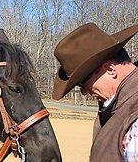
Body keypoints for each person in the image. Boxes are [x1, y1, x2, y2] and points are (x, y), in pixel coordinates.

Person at [52, 22, 138, 162]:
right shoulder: (115, 109)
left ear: (110, 70)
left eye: (84, 80)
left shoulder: (134, 120)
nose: (84, 91)